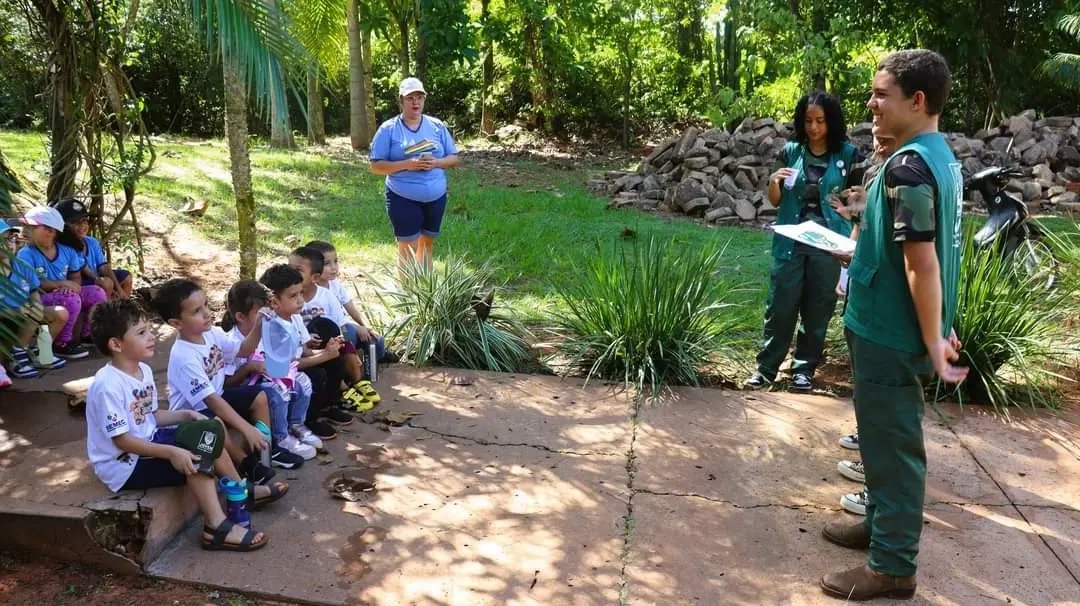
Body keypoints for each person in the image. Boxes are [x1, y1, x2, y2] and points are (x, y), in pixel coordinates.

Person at [819, 49, 968, 601]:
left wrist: (932, 338)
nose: (871, 103)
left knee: (894, 448)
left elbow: (923, 261)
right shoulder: (939, 157)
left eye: (881, 94)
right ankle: (879, 530)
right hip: (887, 321)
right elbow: (930, 248)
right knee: (880, 442)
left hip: (889, 332)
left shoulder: (908, 167)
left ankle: (893, 567)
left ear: (917, 100)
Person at [86, 299, 284, 551]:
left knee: (208, 431)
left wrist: (187, 415)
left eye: (149, 329)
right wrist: (172, 451)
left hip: (149, 442)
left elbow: (151, 416)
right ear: (116, 344)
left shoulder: (142, 370)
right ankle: (216, 527)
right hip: (124, 464)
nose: (151, 336)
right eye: (141, 333)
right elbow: (122, 441)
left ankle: (241, 491)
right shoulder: (107, 385)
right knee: (200, 454)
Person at [744, 91, 863, 392]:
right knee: (780, 305)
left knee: (818, 309)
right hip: (790, 240)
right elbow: (775, 199)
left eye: (820, 121)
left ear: (831, 122)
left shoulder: (848, 155)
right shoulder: (791, 151)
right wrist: (774, 181)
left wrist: (847, 209)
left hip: (828, 244)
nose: (814, 128)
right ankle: (766, 369)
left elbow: (859, 198)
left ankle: (804, 370)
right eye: (808, 121)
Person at [152, 278, 283, 489]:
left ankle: (265, 455)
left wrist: (259, 325)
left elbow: (243, 350)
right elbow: (211, 401)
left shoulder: (211, 333)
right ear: (176, 323)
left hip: (218, 397)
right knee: (217, 422)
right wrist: (246, 429)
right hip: (194, 413)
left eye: (205, 304)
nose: (206, 313)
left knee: (260, 395)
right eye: (196, 311)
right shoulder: (184, 356)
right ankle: (247, 465)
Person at [369, 77, 461, 271]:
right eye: (410, 98)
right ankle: (408, 293)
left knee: (426, 244)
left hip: (436, 196)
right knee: (408, 247)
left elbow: (454, 158)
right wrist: (407, 164)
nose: (416, 102)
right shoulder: (388, 129)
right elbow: (375, 166)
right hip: (402, 196)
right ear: (401, 101)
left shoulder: (436, 126)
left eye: (419, 97)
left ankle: (424, 288)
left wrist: (435, 163)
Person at [221, 280, 315, 468]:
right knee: (273, 391)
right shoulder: (231, 340)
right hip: (243, 395)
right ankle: (280, 439)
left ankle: (295, 425)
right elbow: (227, 384)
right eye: (261, 313)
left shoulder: (267, 330)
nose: (268, 316)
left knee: (302, 381)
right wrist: (250, 368)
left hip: (266, 382)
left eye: (269, 311)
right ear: (240, 316)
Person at [257, 264, 354, 435]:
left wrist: (328, 350)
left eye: (301, 292)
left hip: (295, 368)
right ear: (274, 302)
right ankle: (308, 421)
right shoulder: (273, 327)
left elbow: (305, 352)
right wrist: (325, 356)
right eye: (293, 296)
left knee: (334, 360)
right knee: (317, 374)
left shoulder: (294, 318)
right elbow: (292, 365)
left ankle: (327, 407)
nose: (301, 300)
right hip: (280, 377)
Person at [288, 246, 379, 412]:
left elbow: (340, 325)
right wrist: (306, 340)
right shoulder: (288, 299)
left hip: (326, 341)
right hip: (301, 348)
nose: (291, 273)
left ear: (314, 277)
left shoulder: (326, 295)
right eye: (290, 268)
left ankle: (357, 381)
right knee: (322, 326)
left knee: (331, 329)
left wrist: (348, 348)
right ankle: (342, 389)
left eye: (298, 270)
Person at [16, 206, 106, 359]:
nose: (23, 230)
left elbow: (75, 278)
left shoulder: (66, 251)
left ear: (51, 231)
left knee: (97, 293)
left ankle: (88, 334)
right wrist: (60, 285)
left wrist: (71, 287)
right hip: (36, 298)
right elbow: (32, 284)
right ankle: (61, 344)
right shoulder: (26, 253)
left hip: (63, 293)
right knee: (69, 299)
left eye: (30, 227)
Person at [1, 218, 67, 379]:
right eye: (2, 240)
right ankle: (18, 356)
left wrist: (35, 306)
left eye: (10, 238)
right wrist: (16, 312)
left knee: (59, 313)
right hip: (5, 315)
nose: (9, 243)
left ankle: (38, 353)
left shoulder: (22, 266)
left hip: (24, 312)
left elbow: (33, 291)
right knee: (30, 313)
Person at [52, 197, 133, 299]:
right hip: (80, 282)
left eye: (84, 220)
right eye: (75, 222)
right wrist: (107, 285)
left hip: (96, 277)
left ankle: (123, 306)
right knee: (106, 283)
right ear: (63, 225)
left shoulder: (92, 242)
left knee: (126, 277)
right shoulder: (65, 247)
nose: (82, 225)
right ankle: (105, 311)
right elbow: (83, 272)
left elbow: (104, 267)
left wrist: (119, 289)